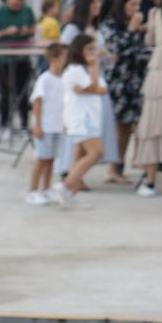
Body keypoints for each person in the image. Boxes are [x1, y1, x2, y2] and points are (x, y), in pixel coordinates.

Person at [103, 0, 150, 190]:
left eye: (139, 5)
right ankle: (112, 168)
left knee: (130, 127)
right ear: (122, 5)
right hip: (118, 83)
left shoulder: (138, 26)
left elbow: (141, 52)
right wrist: (132, 30)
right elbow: (119, 50)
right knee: (117, 127)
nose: (136, 9)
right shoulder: (110, 25)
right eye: (133, 4)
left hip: (136, 82)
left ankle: (121, 166)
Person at [58, 34, 108, 204]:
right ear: (79, 50)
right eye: (89, 49)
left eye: (94, 49)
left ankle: (73, 192)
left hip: (91, 116)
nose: (93, 53)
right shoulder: (75, 70)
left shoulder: (87, 69)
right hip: (82, 118)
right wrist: (94, 67)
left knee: (80, 154)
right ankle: (66, 185)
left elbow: (102, 90)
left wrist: (90, 87)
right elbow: (95, 86)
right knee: (97, 152)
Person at [134, 0, 162, 197]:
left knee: (153, 124)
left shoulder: (156, 13)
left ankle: (149, 181)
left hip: (158, 70)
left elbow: (150, 41)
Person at [0, 0, 37, 132]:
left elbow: (34, 28)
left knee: (23, 92)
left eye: (19, 4)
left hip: (22, 56)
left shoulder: (27, 11)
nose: (16, 6)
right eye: (13, 4)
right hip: (4, 59)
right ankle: (4, 123)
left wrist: (26, 31)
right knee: (5, 93)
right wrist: (5, 32)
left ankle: (24, 123)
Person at [27, 42, 66, 205]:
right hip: (45, 127)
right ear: (53, 58)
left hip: (58, 126)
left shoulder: (64, 78)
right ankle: (33, 191)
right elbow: (37, 102)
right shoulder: (45, 79)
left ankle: (46, 189)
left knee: (50, 159)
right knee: (41, 158)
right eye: (65, 57)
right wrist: (37, 125)